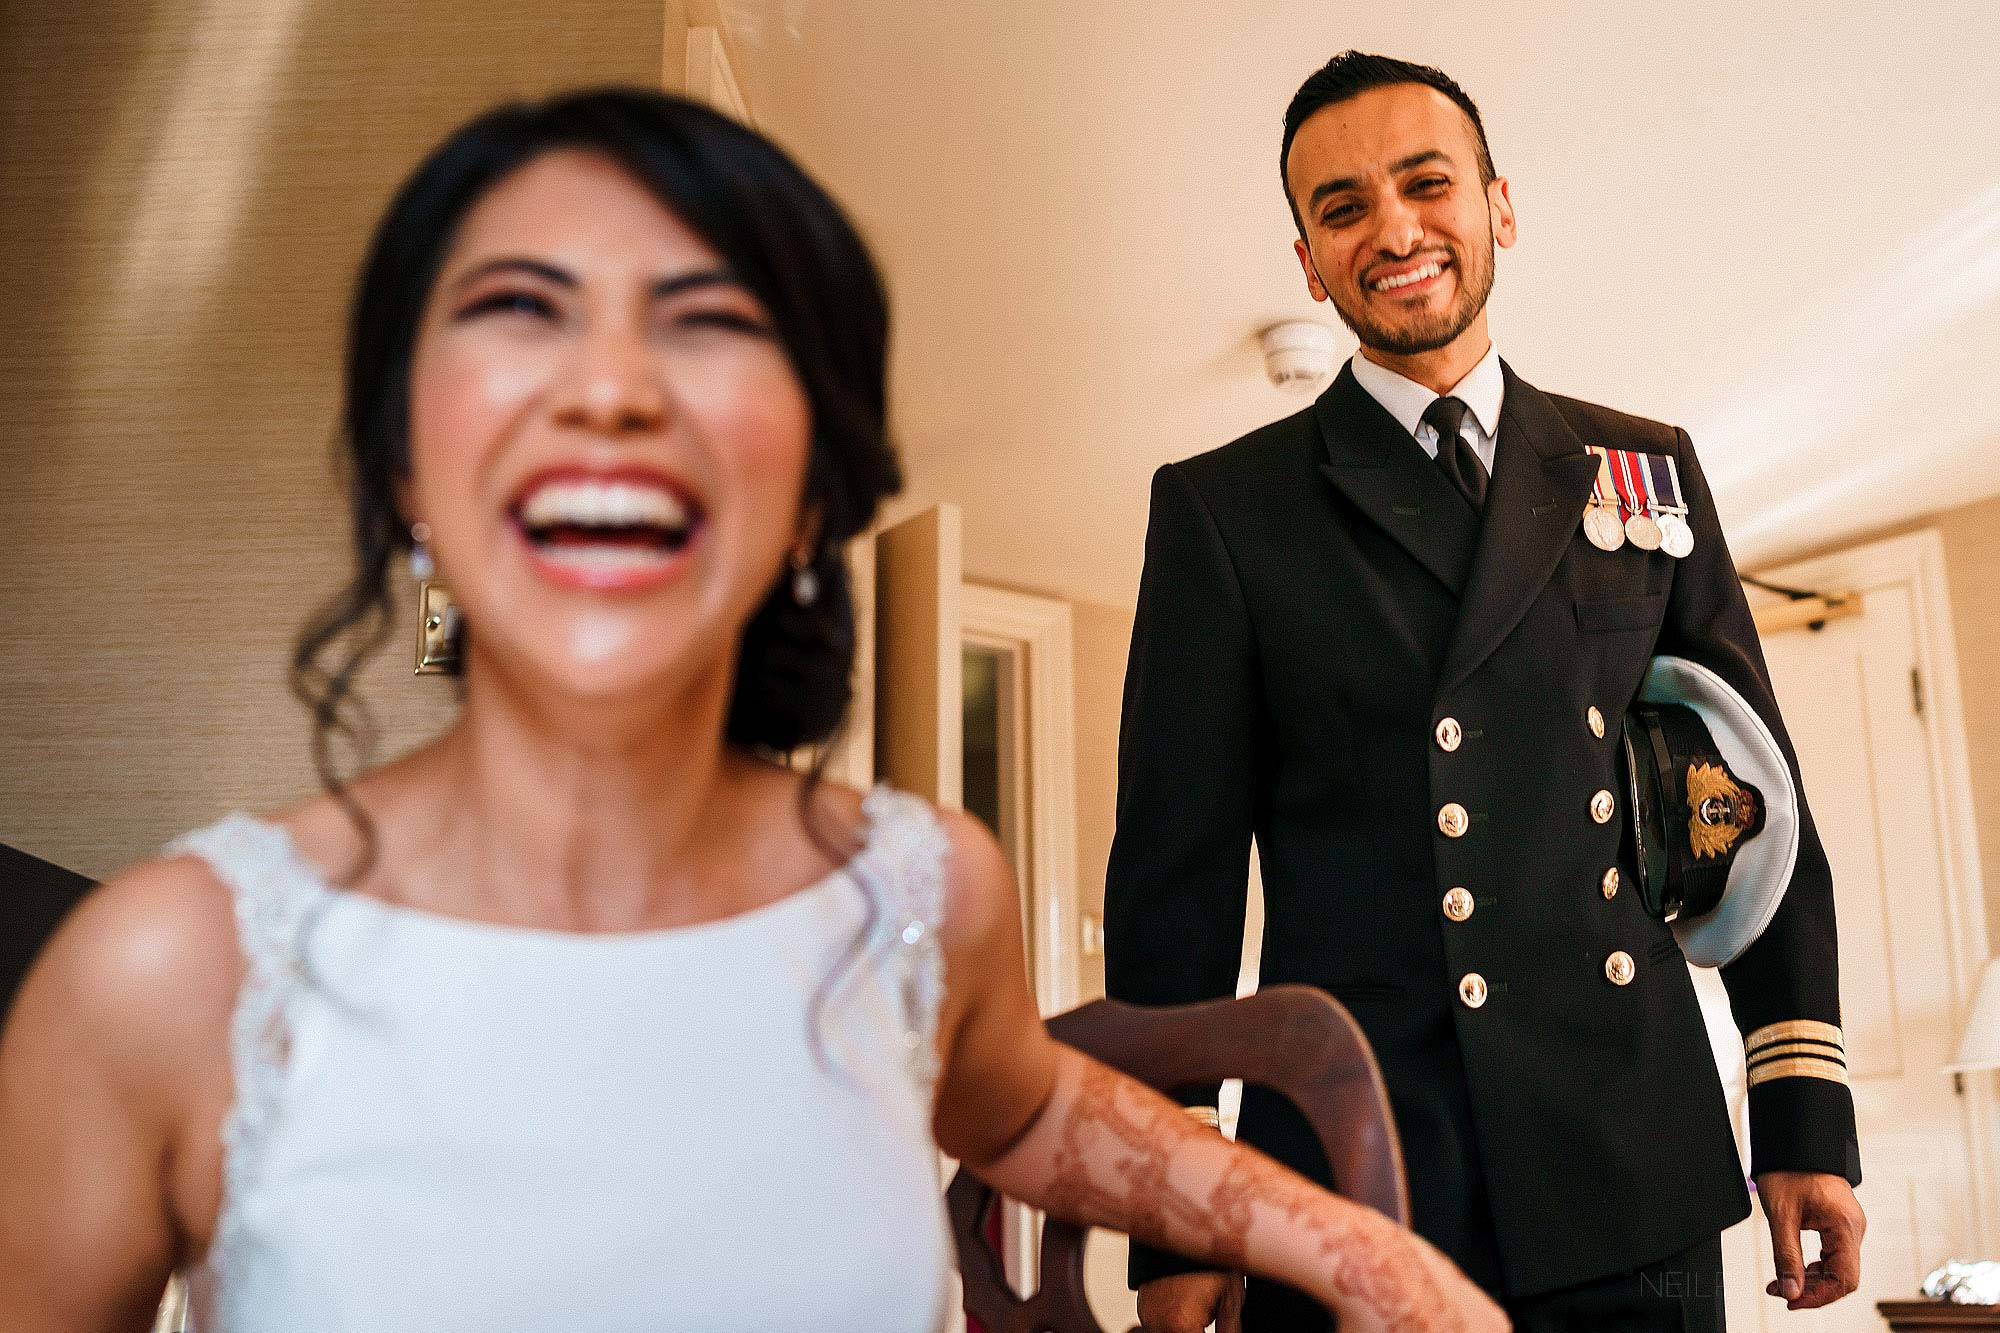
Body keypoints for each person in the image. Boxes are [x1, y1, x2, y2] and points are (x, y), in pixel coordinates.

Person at [0, 89, 1503, 1333]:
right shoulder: (161, 973)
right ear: (410, 472)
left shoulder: (923, 894)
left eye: (702, 329)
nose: (610, 395)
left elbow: (1034, 1113)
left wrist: (1366, 1255)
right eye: (519, 319)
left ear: (806, 491)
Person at [1106, 51, 1865, 1333]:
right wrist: (1176, 1209)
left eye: (1425, 183)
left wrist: (1800, 1112)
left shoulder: (1642, 468)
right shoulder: (1224, 510)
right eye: (1342, 207)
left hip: (1630, 1165)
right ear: (1308, 263)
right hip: (1354, 1178)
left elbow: (1755, 805)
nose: (1393, 230)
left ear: (1497, 207)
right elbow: (1172, 886)